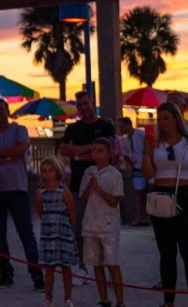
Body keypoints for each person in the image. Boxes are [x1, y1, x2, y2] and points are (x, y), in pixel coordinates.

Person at [141, 101, 188, 307]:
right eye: (159, 119)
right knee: (166, 253)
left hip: (185, 194)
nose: (162, 122)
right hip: (161, 194)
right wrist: (145, 152)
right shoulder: (155, 143)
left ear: (176, 118)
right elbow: (149, 174)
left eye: (166, 118)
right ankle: (168, 301)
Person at [0, 98, 44, 290]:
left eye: (1, 109)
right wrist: (7, 156)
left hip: (18, 190)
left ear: (7, 110)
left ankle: (37, 275)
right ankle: (6, 273)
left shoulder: (19, 130)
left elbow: (21, 147)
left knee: (26, 234)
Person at [57, 90, 116, 274]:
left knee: (104, 228)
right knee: (79, 227)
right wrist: (91, 149)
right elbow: (65, 150)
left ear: (92, 103)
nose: (83, 107)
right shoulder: (73, 129)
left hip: (104, 184)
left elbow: (108, 150)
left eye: (85, 103)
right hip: (77, 184)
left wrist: (79, 151)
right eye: (79, 104)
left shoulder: (106, 126)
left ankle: (108, 267)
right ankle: (81, 266)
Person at [81, 137, 125, 307]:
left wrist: (98, 189)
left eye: (100, 151)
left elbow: (114, 202)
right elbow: (83, 199)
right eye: (94, 151)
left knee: (112, 263)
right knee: (96, 264)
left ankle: (120, 301)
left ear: (109, 153)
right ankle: (104, 299)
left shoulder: (115, 175)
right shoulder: (89, 172)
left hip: (108, 226)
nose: (96, 154)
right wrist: (89, 186)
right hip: (90, 224)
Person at [35, 156, 77, 307]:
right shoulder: (40, 193)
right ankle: (48, 298)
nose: (47, 174)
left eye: (50, 170)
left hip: (63, 234)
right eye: (44, 171)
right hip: (48, 235)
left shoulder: (64, 191)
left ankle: (68, 298)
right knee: (50, 268)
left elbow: (72, 212)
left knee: (66, 267)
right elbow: (40, 211)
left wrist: (71, 232)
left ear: (57, 171)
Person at [118, 117, 149, 226]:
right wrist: (131, 165)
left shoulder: (140, 134)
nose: (120, 129)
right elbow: (126, 155)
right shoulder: (125, 140)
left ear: (128, 125)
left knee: (148, 192)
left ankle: (147, 216)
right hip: (136, 168)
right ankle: (138, 216)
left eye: (121, 126)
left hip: (146, 165)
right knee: (138, 193)